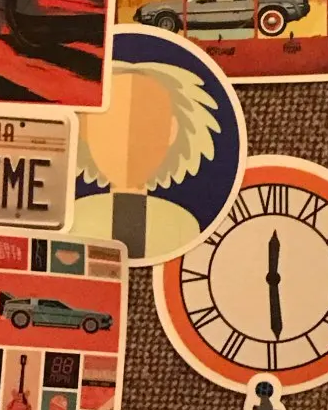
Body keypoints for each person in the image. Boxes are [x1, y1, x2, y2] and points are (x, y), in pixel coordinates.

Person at [70, 57, 221, 259]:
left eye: (148, 123)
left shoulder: (183, 227)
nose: (127, 137)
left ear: (172, 130)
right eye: (111, 124)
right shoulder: (75, 217)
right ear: (85, 130)